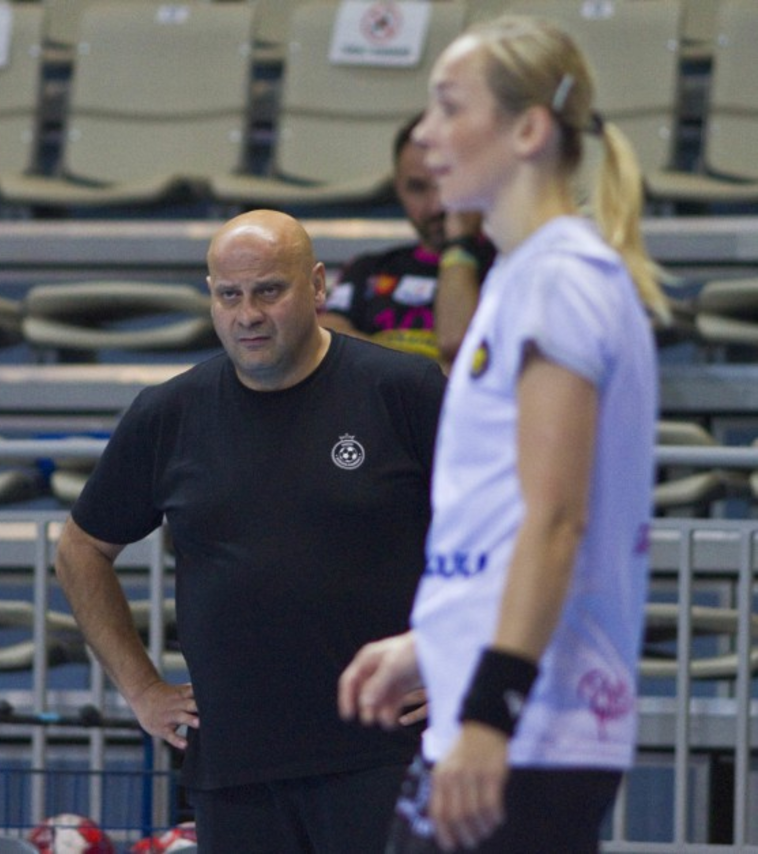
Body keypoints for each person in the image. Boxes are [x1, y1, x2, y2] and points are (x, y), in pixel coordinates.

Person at [337, 15, 669, 854]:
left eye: (450, 107)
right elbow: (500, 520)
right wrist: (434, 643)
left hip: (530, 725)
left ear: (528, 130)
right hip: (506, 710)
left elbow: (555, 521)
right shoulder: (525, 276)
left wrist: (491, 714)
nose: (426, 134)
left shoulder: (561, 280)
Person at [53, 209, 447, 854]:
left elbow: (507, 532)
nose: (248, 315)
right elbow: (80, 549)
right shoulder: (168, 413)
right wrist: (142, 689)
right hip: (236, 770)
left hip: (385, 756)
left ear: (316, 286)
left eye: (269, 291)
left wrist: (466, 662)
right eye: (229, 296)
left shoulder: (403, 390)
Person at [319, 113, 495, 368]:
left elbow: (461, 348)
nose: (436, 206)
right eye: (417, 188)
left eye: (447, 182)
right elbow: (328, 338)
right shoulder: (367, 270)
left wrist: (460, 246)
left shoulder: (510, 267)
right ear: (397, 189)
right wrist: (427, 369)